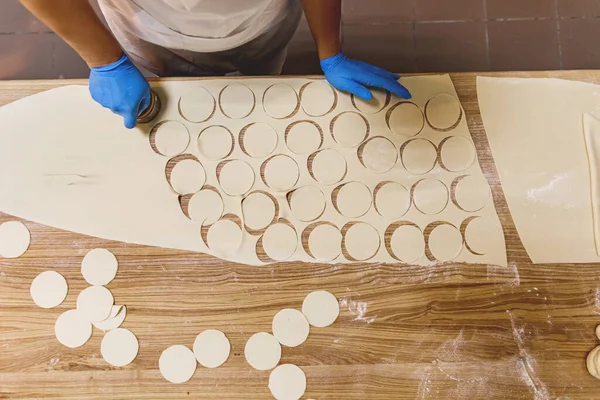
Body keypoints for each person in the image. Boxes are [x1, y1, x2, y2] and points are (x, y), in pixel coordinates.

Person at [20, 0, 411, 129]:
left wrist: (330, 49)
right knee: (160, 89)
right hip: (148, 24)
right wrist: (106, 61)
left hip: (260, 20)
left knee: (261, 86)